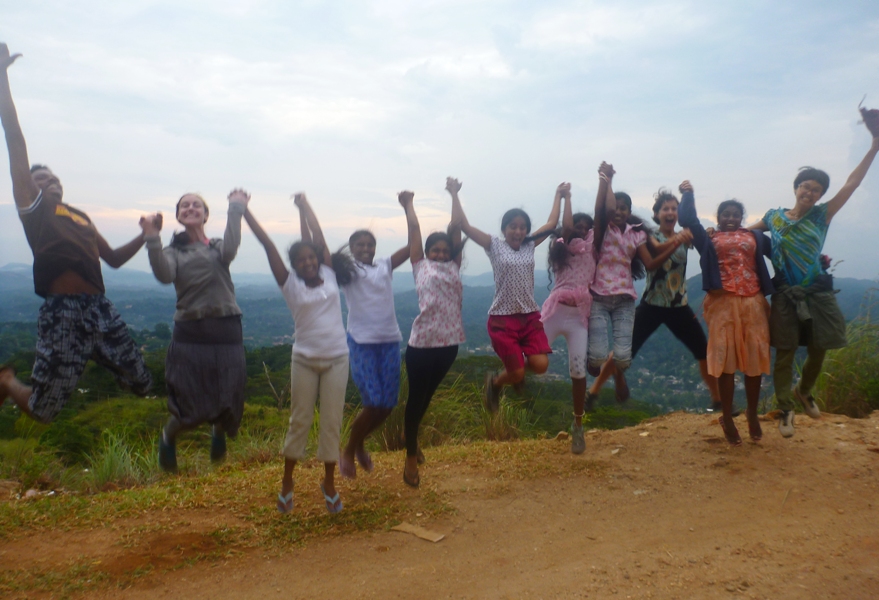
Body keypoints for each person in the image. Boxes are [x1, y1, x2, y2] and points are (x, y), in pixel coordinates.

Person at [0, 44, 152, 421]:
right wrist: (2, 76)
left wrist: (147, 236)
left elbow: (113, 259)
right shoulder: (34, 207)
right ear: (29, 186)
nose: (49, 180)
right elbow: (15, 138)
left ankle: (91, 355)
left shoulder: (81, 217)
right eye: (40, 178)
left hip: (100, 308)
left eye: (53, 177)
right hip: (63, 311)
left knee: (143, 383)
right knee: (43, 410)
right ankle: (7, 382)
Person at [750, 119, 879, 437]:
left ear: (821, 194)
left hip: (817, 292)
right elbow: (743, 232)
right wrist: (715, 232)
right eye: (805, 186)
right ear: (796, 188)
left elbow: (852, 184)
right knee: (785, 352)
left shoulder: (823, 215)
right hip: (785, 292)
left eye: (816, 189)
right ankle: (786, 409)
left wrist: (875, 145)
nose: (809, 191)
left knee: (821, 345)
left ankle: (804, 390)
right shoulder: (774, 217)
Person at [245, 193, 355, 514]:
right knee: (300, 421)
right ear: (293, 266)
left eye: (311, 258)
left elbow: (317, 237)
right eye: (301, 260)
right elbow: (268, 245)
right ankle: (287, 482)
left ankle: (329, 484)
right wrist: (245, 210)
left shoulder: (329, 273)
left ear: (317, 259)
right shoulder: (289, 284)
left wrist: (304, 207)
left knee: (332, 423)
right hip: (304, 360)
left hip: (337, 358)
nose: (308, 262)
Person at [141, 190, 249, 472]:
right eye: (184, 206)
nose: (190, 208)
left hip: (226, 330)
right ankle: (169, 436)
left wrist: (236, 207)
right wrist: (152, 237)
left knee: (228, 394)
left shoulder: (217, 247)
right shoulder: (173, 251)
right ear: (178, 216)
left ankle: (218, 434)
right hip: (191, 333)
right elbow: (165, 275)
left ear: (205, 214)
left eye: (196, 205)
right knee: (189, 400)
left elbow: (231, 248)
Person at [450, 179, 562, 411]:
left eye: (522, 227)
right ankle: (496, 382)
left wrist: (559, 195)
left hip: (529, 317)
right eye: (513, 226)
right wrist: (454, 194)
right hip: (503, 320)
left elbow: (551, 223)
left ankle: (513, 374)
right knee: (517, 372)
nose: (518, 231)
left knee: (540, 365)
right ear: (504, 229)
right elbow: (465, 226)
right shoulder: (494, 245)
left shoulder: (529, 245)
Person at [587, 163, 691, 409]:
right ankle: (594, 369)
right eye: (615, 207)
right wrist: (606, 180)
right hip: (599, 297)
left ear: (629, 211)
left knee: (623, 360)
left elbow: (650, 262)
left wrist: (676, 243)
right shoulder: (602, 230)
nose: (618, 211)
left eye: (623, 208)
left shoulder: (636, 234)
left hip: (625, 298)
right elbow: (602, 209)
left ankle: (618, 377)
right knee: (598, 359)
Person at [679, 184, 774, 445]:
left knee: (754, 359)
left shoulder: (755, 236)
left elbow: (781, 250)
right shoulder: (708, 239)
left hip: (753, 301)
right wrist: (687, 194)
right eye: (726, 214)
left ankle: (752, 413)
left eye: (735, 214)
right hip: (722, 303)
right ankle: (728, 419)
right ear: (718, 218)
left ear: (742, 217)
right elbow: (687, 220)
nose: (731, 218)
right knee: (725, 360)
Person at [631, 188, 723, 413]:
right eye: (666, 208)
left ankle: (718, 399)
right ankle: (596, 388)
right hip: (651, 304)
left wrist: (710, 232)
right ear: (657, 213)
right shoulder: (651, 236)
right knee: (626, 349)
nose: (671, 212)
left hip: (678, 305)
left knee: (702, 349)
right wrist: (678, 239)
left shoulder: (685, 236)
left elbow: (702, 239)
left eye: (674, 208)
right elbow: (653, 258)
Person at [399, 181, 466, 487]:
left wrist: (454, 194)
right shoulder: (419, 265)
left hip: (449, 344)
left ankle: (408, 435)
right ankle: (410, 457)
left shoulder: (454, 265)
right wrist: (408, 205)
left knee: (426, 397)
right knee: (416, 399)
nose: (440, 254)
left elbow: (457, 227)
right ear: (426, 252)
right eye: (435, 250)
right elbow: (414, 230)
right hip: (422, 344)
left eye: (445, 250)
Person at [338, 217, 410, 480]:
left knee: (387, 405)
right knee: (373, 402)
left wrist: (409, 209)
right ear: (351, 248)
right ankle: (349, 450)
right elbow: (323, 254)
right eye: (360, 244)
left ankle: (359, 443)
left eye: (370, 244)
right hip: (361, 343)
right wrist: (305, 212)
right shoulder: (347, 270)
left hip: (389, 340)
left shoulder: (384, 265)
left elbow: (413, 246)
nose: (366, 248)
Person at [540, 183, 596, 454]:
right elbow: (566, 228)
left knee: (578, 372)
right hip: (555, 311)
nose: (581, 230)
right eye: (577, 226)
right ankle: (501, 381)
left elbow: (603, 221)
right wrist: (567, 198)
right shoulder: (561, 247)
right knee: (531, 358)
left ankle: (578, 425)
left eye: (586, 227)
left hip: (578, 318)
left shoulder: (594, 250)